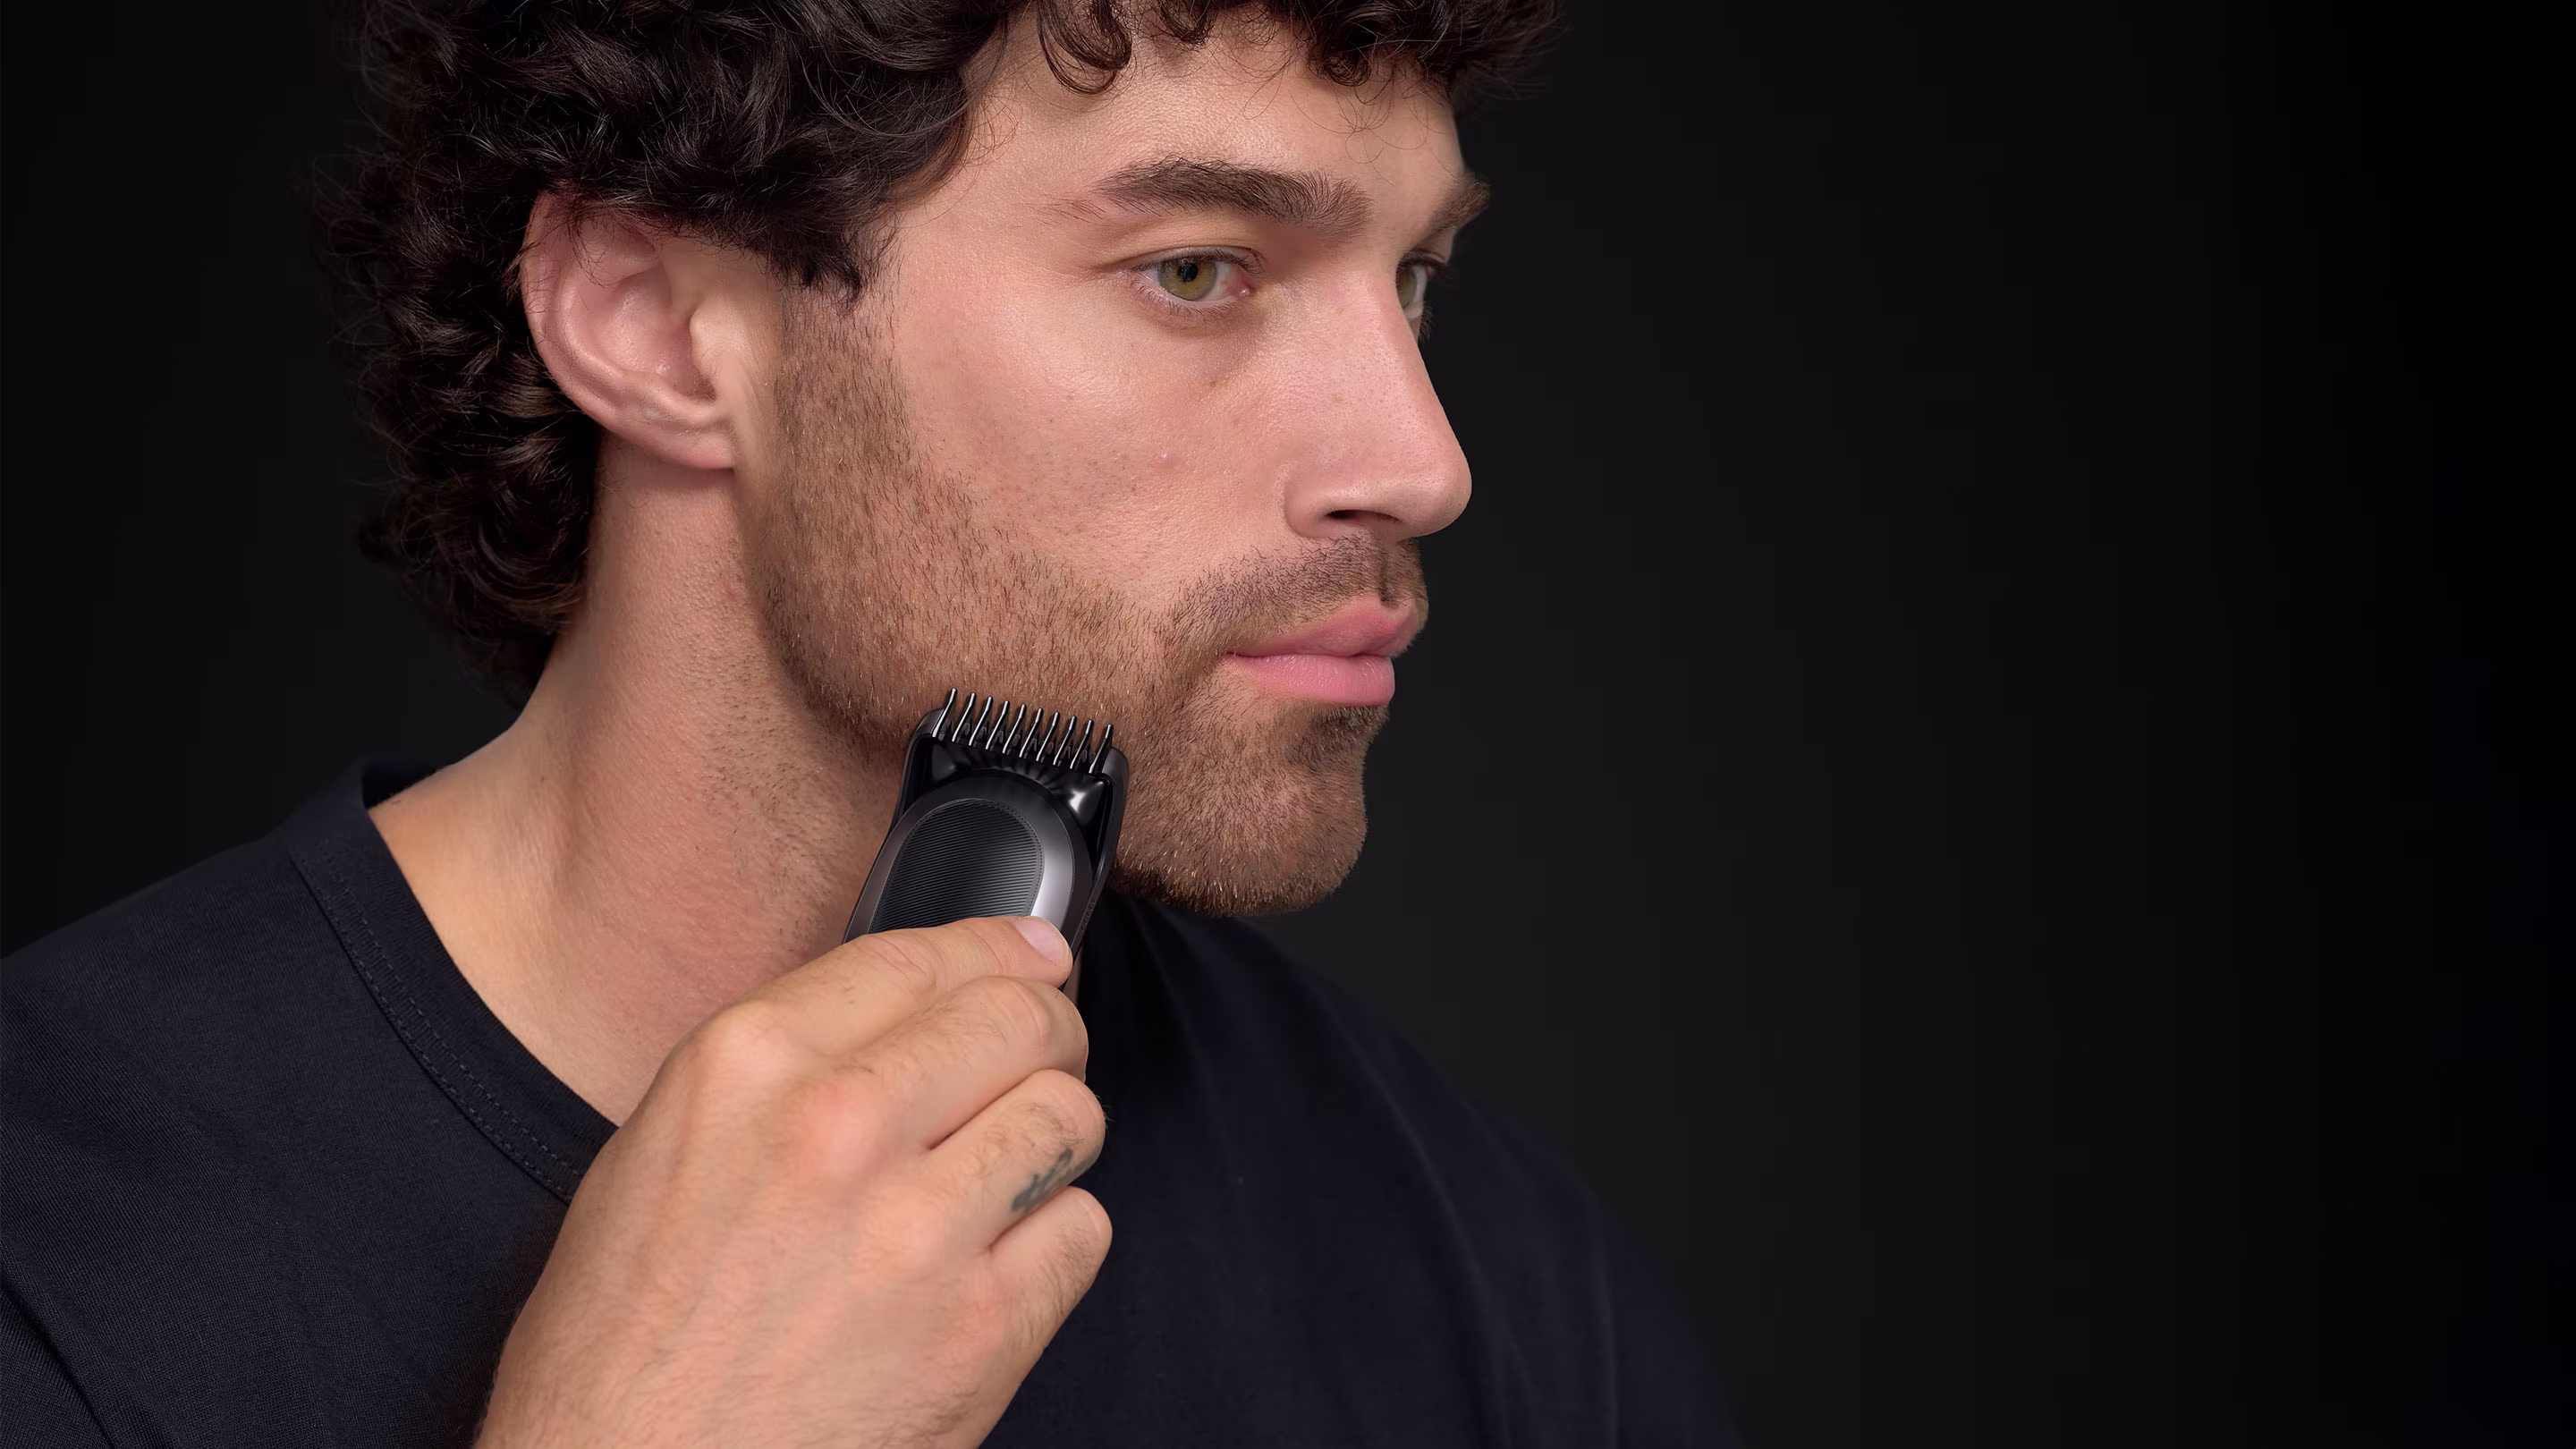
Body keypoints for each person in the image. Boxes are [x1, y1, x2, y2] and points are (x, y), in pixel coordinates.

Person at [2, 0, 1730, 1443]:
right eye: (1198, 270)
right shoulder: (62, 1244)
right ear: (655, 324)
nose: (1423, 463)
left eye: (1413, 279)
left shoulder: (1484, 1281)